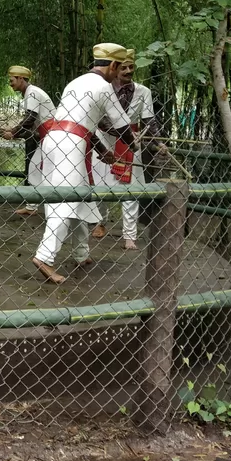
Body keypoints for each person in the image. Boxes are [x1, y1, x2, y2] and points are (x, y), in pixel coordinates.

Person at [32, 43, 135, 284]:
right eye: (119, 69)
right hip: (72, 144)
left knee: (81, 195)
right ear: (112, 65)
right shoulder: (104, 87)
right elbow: (122, 127)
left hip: (55, 140)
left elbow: (82, 122)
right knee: (66, 200)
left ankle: (81, 253)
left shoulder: (75, 83)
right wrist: (138, 146)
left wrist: (103, 151)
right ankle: (44, 257)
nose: (118, 74)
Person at [90, 49, 163, 249]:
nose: (128, 70)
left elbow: (149, 120)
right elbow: (101, 121)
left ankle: (129, 235)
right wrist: (121, 133)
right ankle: (100, 222)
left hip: (132, 142)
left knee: (131, 189)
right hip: (104, 141)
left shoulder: (143, 91)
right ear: (115, 68)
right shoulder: (103, 89)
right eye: (124, 67)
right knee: (99, 185)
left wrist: (159, 143)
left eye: (131, 67)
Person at [1, 66, 55, 215]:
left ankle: (49, 207)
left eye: (12, 80)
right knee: (35, 169)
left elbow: (30, 119)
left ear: (21, 79)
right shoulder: (30, 93)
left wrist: (12, 132)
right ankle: (33, 206)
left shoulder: (32, 93)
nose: (10, 83)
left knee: (43, 171)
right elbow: (30, 123)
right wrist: (14, 132)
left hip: (52, 135)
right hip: (47, 135)